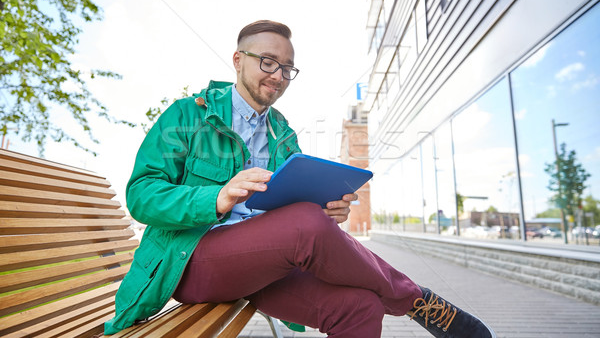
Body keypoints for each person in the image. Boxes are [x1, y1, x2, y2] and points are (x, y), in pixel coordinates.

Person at [104, 20, 496, 338]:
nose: (279, 75)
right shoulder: (188, 114)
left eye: (288, 68)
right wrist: (217, 197)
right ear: (238, 59)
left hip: (266, 264)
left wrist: (329, 210)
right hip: (192, 261)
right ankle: (417, 302)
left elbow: (295, 215)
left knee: (360, 307)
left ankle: (404, 299)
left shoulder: (282, 131)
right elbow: (141, 196)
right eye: (268, 61)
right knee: (305, 223)